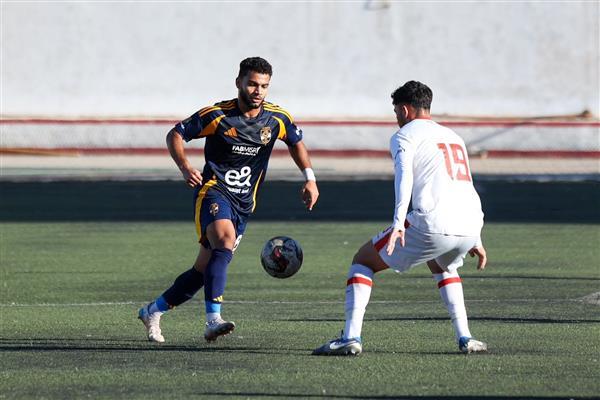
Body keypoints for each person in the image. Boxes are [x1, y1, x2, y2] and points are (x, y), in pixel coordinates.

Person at [138, 57, 319, 343]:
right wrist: (185, 167)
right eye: (252, 84)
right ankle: (213, 320)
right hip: (213, 191)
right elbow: (176, 134)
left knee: (203, 270)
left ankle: (153, 310)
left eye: (264, 86)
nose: (258, 91)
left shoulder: (276, 118)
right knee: (223, 242)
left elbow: (296, 142)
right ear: (239, 83)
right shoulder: (217, 116)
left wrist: (310, 178)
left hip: (244, 204)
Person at [313, 81, 487, 356]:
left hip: (432, 223)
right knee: (441, 264)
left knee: (362, 261)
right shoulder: (454, 136)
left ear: (405, 110)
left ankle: (350, 337)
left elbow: (404, 178)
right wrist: (476, 236)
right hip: (470, 223)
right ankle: (465, 337)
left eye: (396, 112)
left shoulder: (405, 135)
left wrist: (398, 223)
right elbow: (462, 184)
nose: (396, 119)